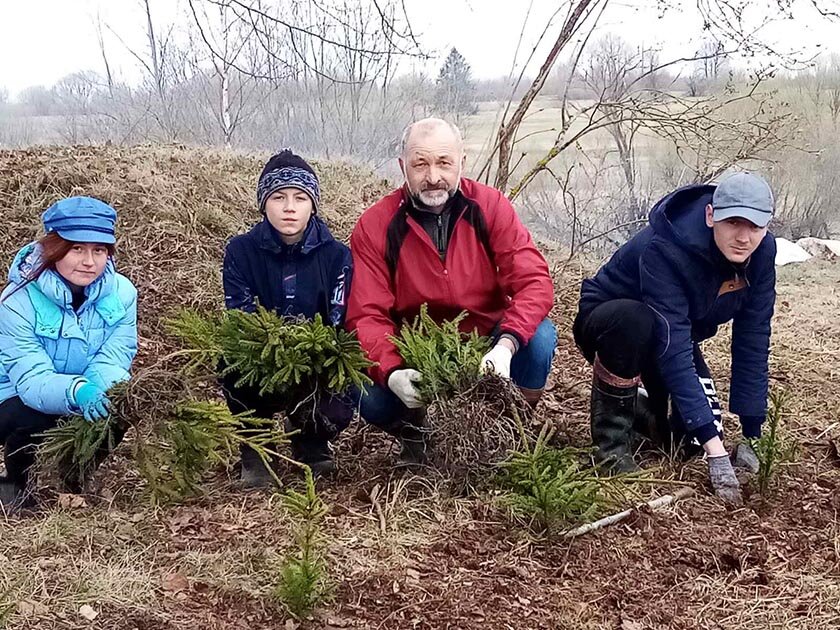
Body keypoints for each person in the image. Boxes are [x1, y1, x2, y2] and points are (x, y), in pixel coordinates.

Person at [347, 118, 556, 465]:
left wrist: (505, 346)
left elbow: (533, 281)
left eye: (444, 163)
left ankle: (507, 427)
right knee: (365, 390)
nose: (433, 176)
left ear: (462, 162)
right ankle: (417, 435)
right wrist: (393, 370)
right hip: (417, 349)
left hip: (487, 340)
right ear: (403, 167)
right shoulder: (375, 225)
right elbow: (366, 314)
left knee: (540, 338)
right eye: (420, 164)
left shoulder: (490, 207)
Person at [574, 172, 776, 505]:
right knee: (635, 321)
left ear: (767, 226)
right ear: (711, 216)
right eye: (733, 223)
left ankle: (643, 411)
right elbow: (673, 345)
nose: (743, 237)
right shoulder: (667, 248)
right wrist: (717, 453)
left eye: (755, 226)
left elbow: (753, 337)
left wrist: (752, 435)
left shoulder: (762, 253)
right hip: (611, 323)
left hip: (670, 331)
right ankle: (611, 450)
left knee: (690, 440)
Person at [221, 149, 354, 485]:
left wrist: (315, 352)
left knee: (340, 385)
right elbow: (240, 313)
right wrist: (274, 345)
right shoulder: (241, 251)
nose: (290, 207)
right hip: (262, 353)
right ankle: (256, 449)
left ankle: (311, 440)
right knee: (232, 362)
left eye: (300, 197)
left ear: (313, 204)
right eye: (279, 197)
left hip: (316, 357)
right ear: (264, 203)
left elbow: (339, 318)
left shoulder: (337, 255)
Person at [0, 196, 138, 509]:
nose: (89, 261)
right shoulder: (17, 299)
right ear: (54, 247)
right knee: (31, 416)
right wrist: (78, 391)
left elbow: (114, 357)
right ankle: (17, 487)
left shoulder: (123, 294)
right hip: (11, 394)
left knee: (119, 403)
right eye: (77, 249)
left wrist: (100, 392)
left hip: (78, 387)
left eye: (99, 250)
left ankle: (72, 477)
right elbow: (31, 379)